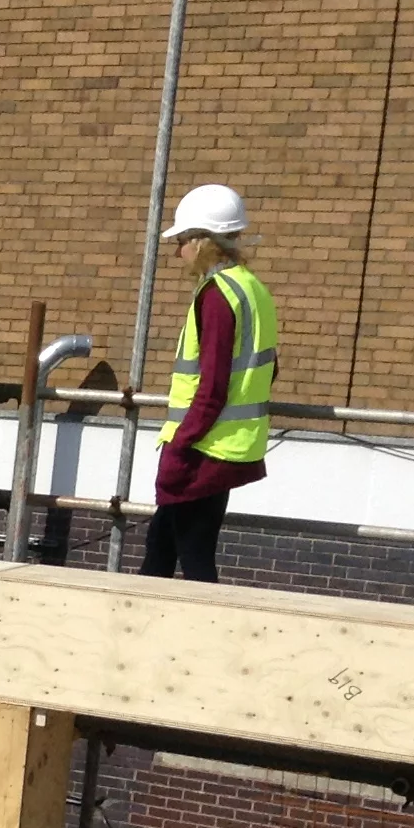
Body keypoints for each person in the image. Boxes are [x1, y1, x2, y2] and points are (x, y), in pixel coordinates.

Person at [145, 183, 274, 583]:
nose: (177, 250)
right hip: (227, 447)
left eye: (182, 240)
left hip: (204, 450)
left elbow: (212, 387)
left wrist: (181, 447)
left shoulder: (217, 295)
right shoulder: (252, 289)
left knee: (193, 559)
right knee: (161, 549)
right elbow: (268, 369)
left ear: (202, 242)